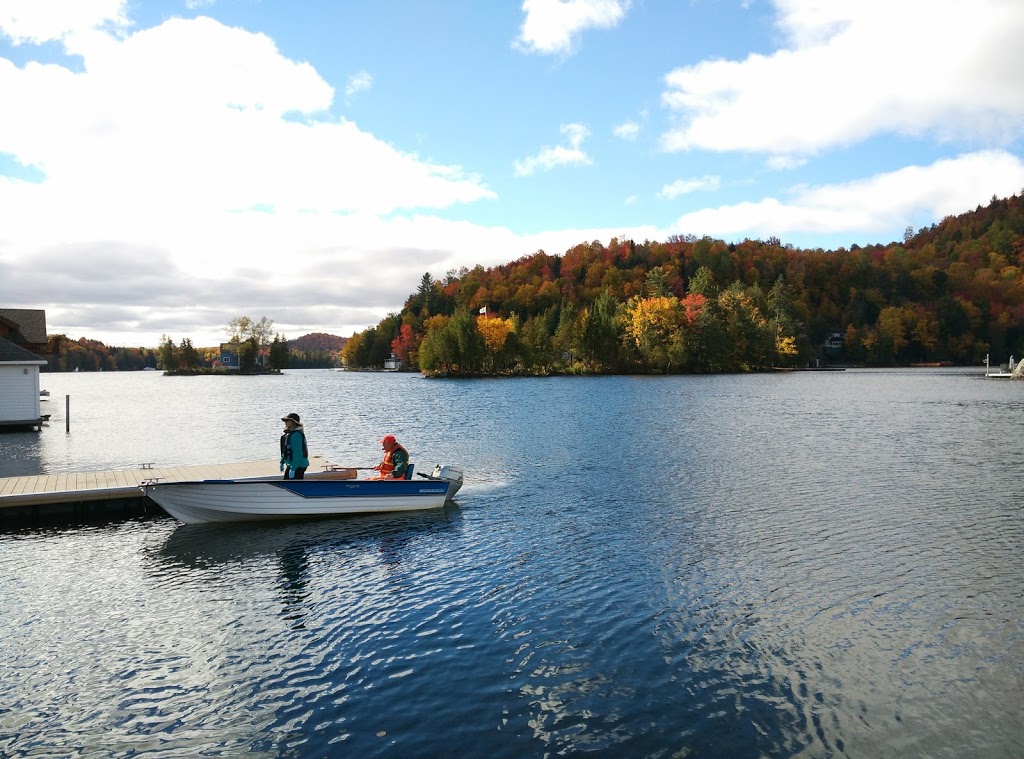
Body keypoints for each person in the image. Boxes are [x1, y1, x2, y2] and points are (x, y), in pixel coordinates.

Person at [279, 412, 309, 480]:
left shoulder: (296, 435)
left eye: (287, 420)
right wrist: (282, 461)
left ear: (293, 422)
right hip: (293, 464)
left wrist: (293, 469)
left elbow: (298, 453)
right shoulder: (289, 434)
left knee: (291, 484)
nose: (285, 422)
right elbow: (286, 450)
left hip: (299, 465)